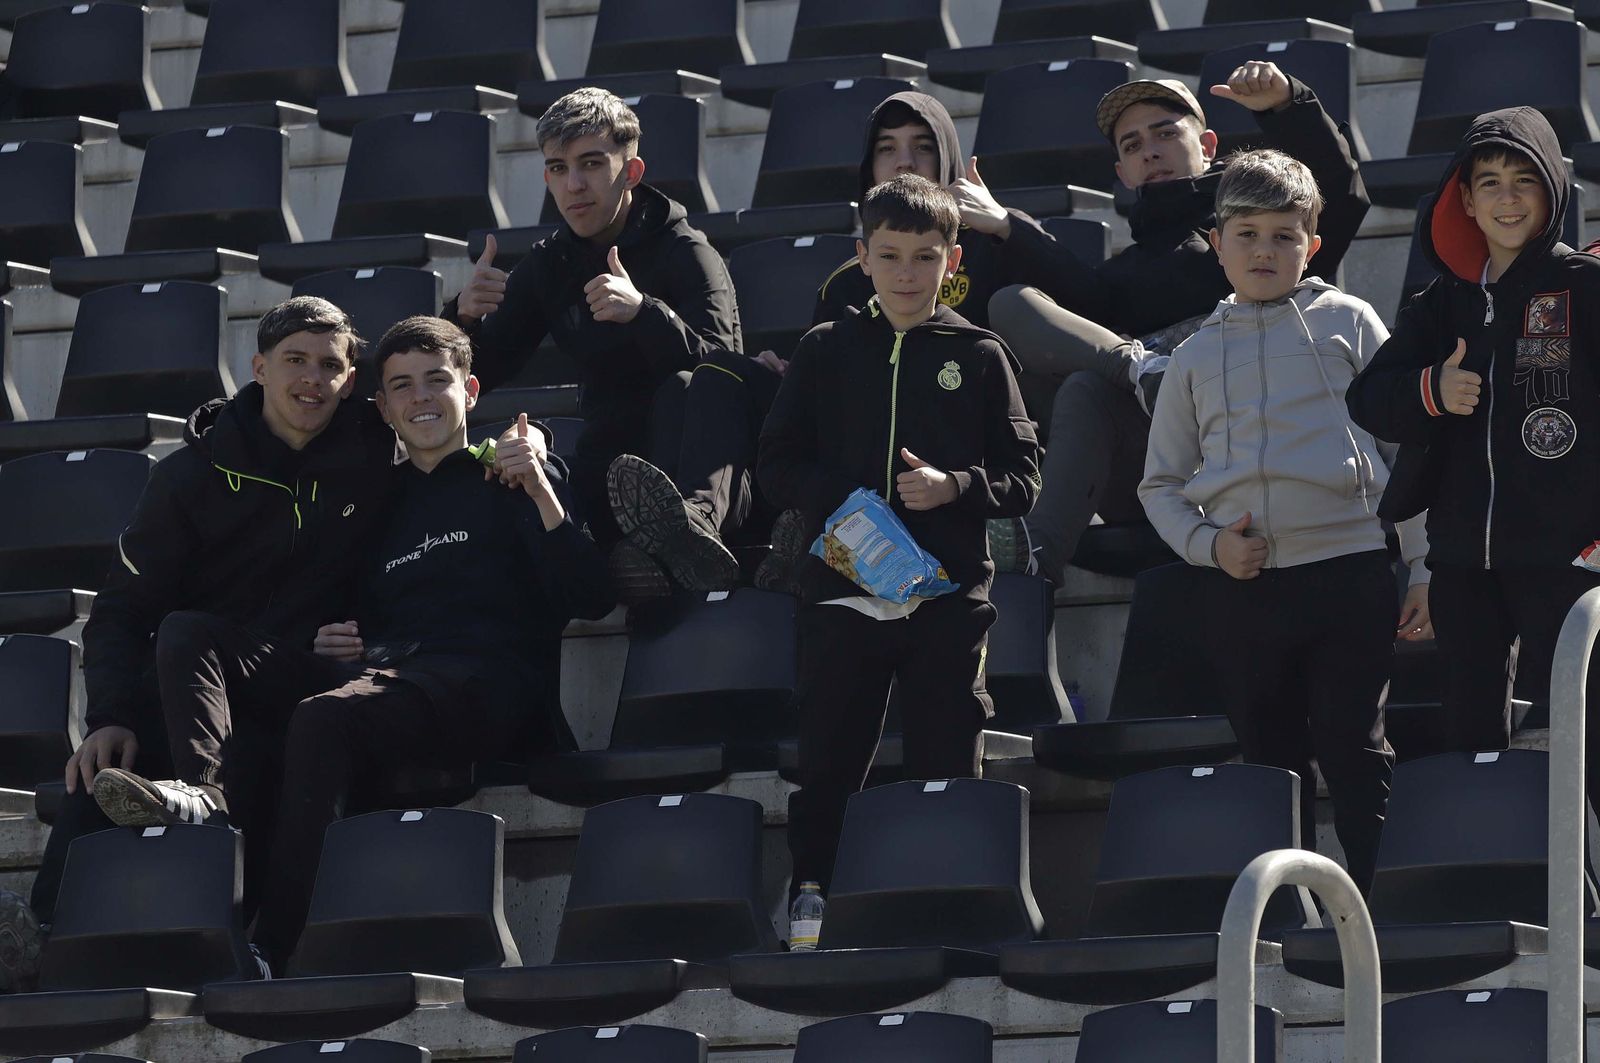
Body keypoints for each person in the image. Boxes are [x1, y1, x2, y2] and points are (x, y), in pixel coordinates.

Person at [93, 316, 615, 973]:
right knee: (190, 633)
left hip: (488, 689)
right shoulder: (373, 500)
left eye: (437, 380)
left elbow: (590, 594)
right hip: (387, 680)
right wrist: (329, 635)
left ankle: (269, 948)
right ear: (383, 406)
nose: (421, 397)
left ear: (471, 390)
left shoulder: (510, 472)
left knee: (324, 716)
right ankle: (208, 798)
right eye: (402, 385)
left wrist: (540, 486)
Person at [0, 297, 392, 993]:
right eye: (296, 360)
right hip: (196, 699)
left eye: (331, 365)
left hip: (299, 684)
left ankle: (202, 807)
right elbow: (119, 611)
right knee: (110, 763)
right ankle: (46, 938)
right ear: (259, 368)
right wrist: (109, 715)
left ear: (352, 378)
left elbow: (440, 385)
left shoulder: (373, 458)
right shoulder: (189, 476)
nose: (313, 378)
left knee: (194, 646)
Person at [1139, 149, 1429, 893]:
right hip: (1247, 585)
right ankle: (1292, 917)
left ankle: (1378, 906)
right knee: (1271, 761)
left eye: (1284, 235)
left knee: (1353, 745)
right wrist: (1208, 547)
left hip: (1353, 572)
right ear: (1216, 241)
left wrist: (1421, 562)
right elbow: (1160, 484)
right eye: (1247, 234)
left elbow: (1412, 445)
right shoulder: (1194, 356)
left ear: (1314, 245)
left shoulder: (1350, 321)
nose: (1265, 250)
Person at [758, 174, 1039, 918]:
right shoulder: (824, 349)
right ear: (863, 257)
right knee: (828, 764)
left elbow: (1024, 478)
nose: (908, 274)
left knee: (948, 762)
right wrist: (842, 501)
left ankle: (947, 900)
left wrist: (955, 486)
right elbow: (775, 463)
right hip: (842, 594)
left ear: (953, 260)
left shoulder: (981, 352)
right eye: (890, 256)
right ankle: (813, 895)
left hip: (947, 600)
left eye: (925, 256)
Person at [987, 61, 1370, 584]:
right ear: (1121, 173)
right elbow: (1024, 306)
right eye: (1131, 145)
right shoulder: (1116, 280)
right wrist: (1007, 226)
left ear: (1208, 144)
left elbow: (1338, 194)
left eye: (1166, 132)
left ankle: (1145, 372)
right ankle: (1038, 555)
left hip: (1260, 459)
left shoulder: (1263, 240)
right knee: (1044, 345)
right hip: (1159, 470)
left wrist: (1287, 103)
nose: (1149, 150)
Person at [1346, 108, 1600, 784]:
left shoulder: (1586, 287)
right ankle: (1499, 884)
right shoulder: (1439, 303)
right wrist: (1433, 388)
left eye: (1525, 181)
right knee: (1470, 745)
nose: (1507, 199)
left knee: (1589, 736)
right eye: (1489, 183)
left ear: (1554, 192)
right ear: (1464, 198)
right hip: (1462, 565)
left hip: (1567, 558)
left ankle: (1582, 891)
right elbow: (1368, 398)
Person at [449, 87, 772, 595]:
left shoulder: (688, 251)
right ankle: (642, 561)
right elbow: (480, 371)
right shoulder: (550, 265)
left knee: (687, 386)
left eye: (591, 164)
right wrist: (462, 318)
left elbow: (729, 377)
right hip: (613, 471)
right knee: (522, 469)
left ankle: (681, 539)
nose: (574, 185)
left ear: (632, 172)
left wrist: (646, 313)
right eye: (558, 168)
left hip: (703, 475)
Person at [810, 90, 1077, 333]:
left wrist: (1005, 225)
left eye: (923, 147)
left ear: (946, 155)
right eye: (887, 148)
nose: (905, 162)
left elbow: (1092, 304)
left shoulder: (1001, 237)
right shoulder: (845, 285)